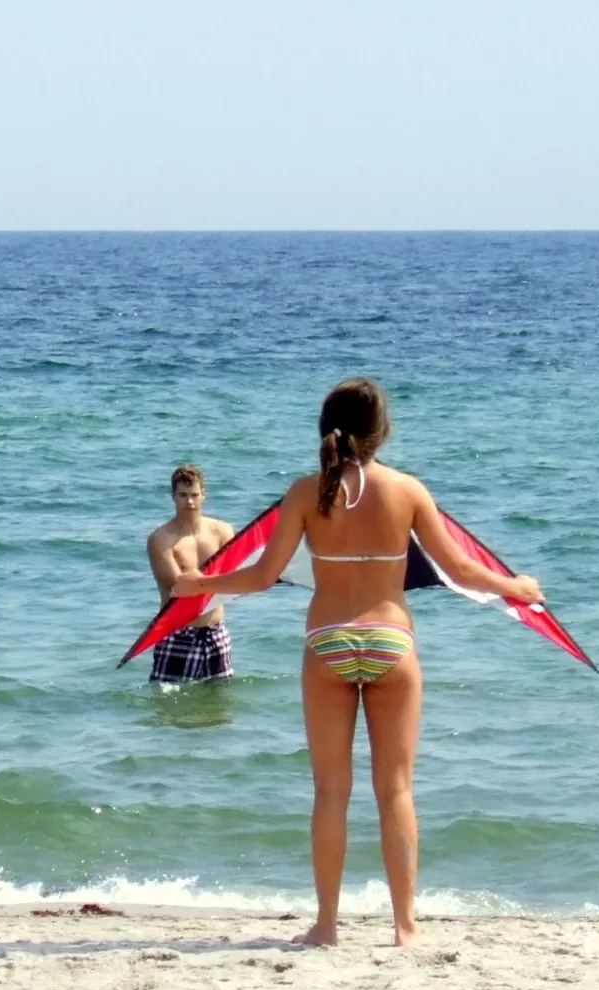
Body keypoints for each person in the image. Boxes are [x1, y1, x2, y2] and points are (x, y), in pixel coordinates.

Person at [170, 379, 544, 947]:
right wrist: (515, 586)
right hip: (392, 641)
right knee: (395, 790)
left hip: (328, 643)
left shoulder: (303, 493)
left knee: (330, 793)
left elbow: (262, 577)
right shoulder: (408, 490)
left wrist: (202, 582)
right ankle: (405, 927)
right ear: (381, 431)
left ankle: (326, 926)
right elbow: (461, 571)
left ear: (326, 428)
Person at [145, 465, 237, 684]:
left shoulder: (222, 531)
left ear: (204, 495)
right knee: (168, 705)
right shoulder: (161, 539)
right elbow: (179, 589)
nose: (189, 502)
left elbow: (233, 582)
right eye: (183, 495)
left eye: (194, 495)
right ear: (173, 497)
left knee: (220, 708)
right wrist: (217, 582)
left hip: (215, 631)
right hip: (177, 632)